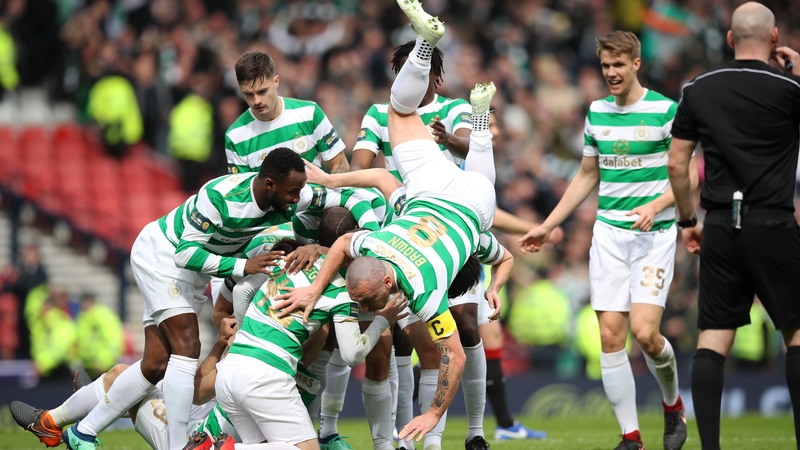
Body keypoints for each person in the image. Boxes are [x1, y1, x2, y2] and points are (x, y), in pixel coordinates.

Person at [273, 2, 503, 447]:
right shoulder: (379, 245)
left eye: (371, 299)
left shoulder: (424, 288)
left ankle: (473, 116)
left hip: (448, 202)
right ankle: (456, 86)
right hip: (432, 190)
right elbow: (366, 197)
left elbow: (361, 211)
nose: (376, 306)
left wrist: (434, 411)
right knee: (404, 111)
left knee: (478, 188)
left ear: (384, 279)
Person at [520, 30, 698, 450]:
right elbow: (587, 174)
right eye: (605, 66)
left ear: (637, 63)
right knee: (610, 337)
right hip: (610, 236)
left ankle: (673, 407)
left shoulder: (665, 110)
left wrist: (656, 205)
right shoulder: (597, 112)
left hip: (652, 236)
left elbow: (688, 174)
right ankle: (631, 437)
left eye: (619, 65)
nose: (612, 73)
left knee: (646, 334)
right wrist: (548, 224)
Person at [666, 3, 800, 449]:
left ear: (729, 39)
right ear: (775, 38)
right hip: (775, 222)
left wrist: (689, 220)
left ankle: (710, 449)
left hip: (721, 224)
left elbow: (677, 161)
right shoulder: (790, 89)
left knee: (713, 339)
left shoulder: (698, 88)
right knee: (796, 334)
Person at [215, 238, 409, 449]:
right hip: (264, 375)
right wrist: (382, 321)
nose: (364, 307)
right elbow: (352, 355)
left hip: (230, 369)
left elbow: (241, 290)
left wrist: (242, 330)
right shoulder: (343, 292)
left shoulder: (296, 261)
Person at [349, 41, 471, 176]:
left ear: (435, 73)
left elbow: (471, 149)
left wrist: (447, 139)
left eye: (420, 74)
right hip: (399, 196)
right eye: (406, 74)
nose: (413, 81)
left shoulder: (454, 108)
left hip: (445, 196)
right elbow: (357, 168)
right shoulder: (378, 114)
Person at [226, 51, 348, 175]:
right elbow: (241, 189)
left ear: (276, 81)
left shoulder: (310, 113)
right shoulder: (235, 136)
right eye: (248, 94)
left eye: (262, 91)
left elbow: (340, 164)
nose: (256, 101)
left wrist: (327, 189)